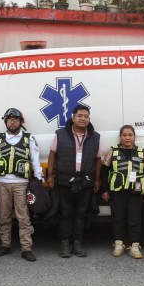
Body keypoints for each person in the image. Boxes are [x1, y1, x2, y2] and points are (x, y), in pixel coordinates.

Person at [0, 108, 43, 262]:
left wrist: (38, 180)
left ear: (21, 122)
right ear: (6, 122)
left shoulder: (29, 139)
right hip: (2, 183)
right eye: (9, 120)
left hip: (21, 184)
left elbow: (35, 160)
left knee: (23, 216)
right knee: (4, 215)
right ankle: (5, 245)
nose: (12, 122)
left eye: (15, 120)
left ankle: (26, 248)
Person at [46, 104, 102, 258]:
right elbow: (52, 154)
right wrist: (50, 175)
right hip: (65, 181)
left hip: (86, 182)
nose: (83, 119)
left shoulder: (95, 137)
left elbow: (98, 159)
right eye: (80, 116)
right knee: (65, 213)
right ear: (73, 118)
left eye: (86, 116)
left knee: (80, 214)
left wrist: (97, 179)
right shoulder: (60, 134)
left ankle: (77, 243)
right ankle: (65, 243)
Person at [100, 125, 144, 259]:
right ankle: (118, 244)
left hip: (136, 192)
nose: (127, 138)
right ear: (120, 137)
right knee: (118, 218)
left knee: (135, 219)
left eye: (130, 135)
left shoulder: (141, 152)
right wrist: (104, 190)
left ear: (134, 137)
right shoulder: (112, 151)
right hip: (117, 192)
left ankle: (135, 246)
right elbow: (104, 172)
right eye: (124, 135)